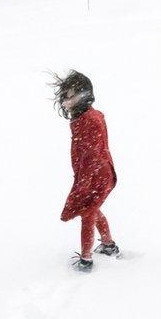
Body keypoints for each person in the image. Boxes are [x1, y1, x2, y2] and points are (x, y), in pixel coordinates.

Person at [51, 70, 120, 272]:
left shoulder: (91, 119)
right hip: (92, 174)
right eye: (65, 96)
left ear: (83, 95)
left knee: (88, 213)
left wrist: (85, 181)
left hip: (97, 176)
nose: (65, 101)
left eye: (70, 96)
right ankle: (109, 245)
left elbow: (93, 154)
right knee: (92, 209)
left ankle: (86, 259)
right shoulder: (83, 117)